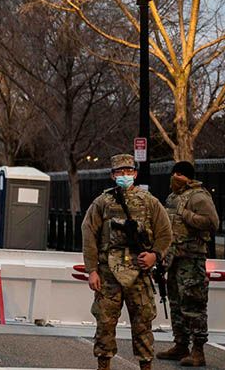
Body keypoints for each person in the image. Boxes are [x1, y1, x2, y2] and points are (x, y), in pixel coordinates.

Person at [81, 154, 172, 370]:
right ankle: (103, 365)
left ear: (135, 174)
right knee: (105, 323)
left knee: (143, 324)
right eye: (120, 172)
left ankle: (145, 366)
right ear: (113, 175)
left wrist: (154, 255)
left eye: (129, 171)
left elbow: (165, 233)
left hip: (139, 273)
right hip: (108, 274)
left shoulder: (150, 202)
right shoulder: (102, 202)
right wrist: (92, 270)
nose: (125, 175)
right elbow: (89, 234)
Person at [156, 161, 219, 366]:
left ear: (189, 177)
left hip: (192, 258)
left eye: (180, 174)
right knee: (176, 303)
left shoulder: (199, 197)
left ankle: (198, 350)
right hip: (174, 258)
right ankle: (180, 344)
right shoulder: (172, 197)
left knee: (193, 304)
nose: (175, 177)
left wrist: (186, 214)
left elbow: (212, 223)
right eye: (174, 173)